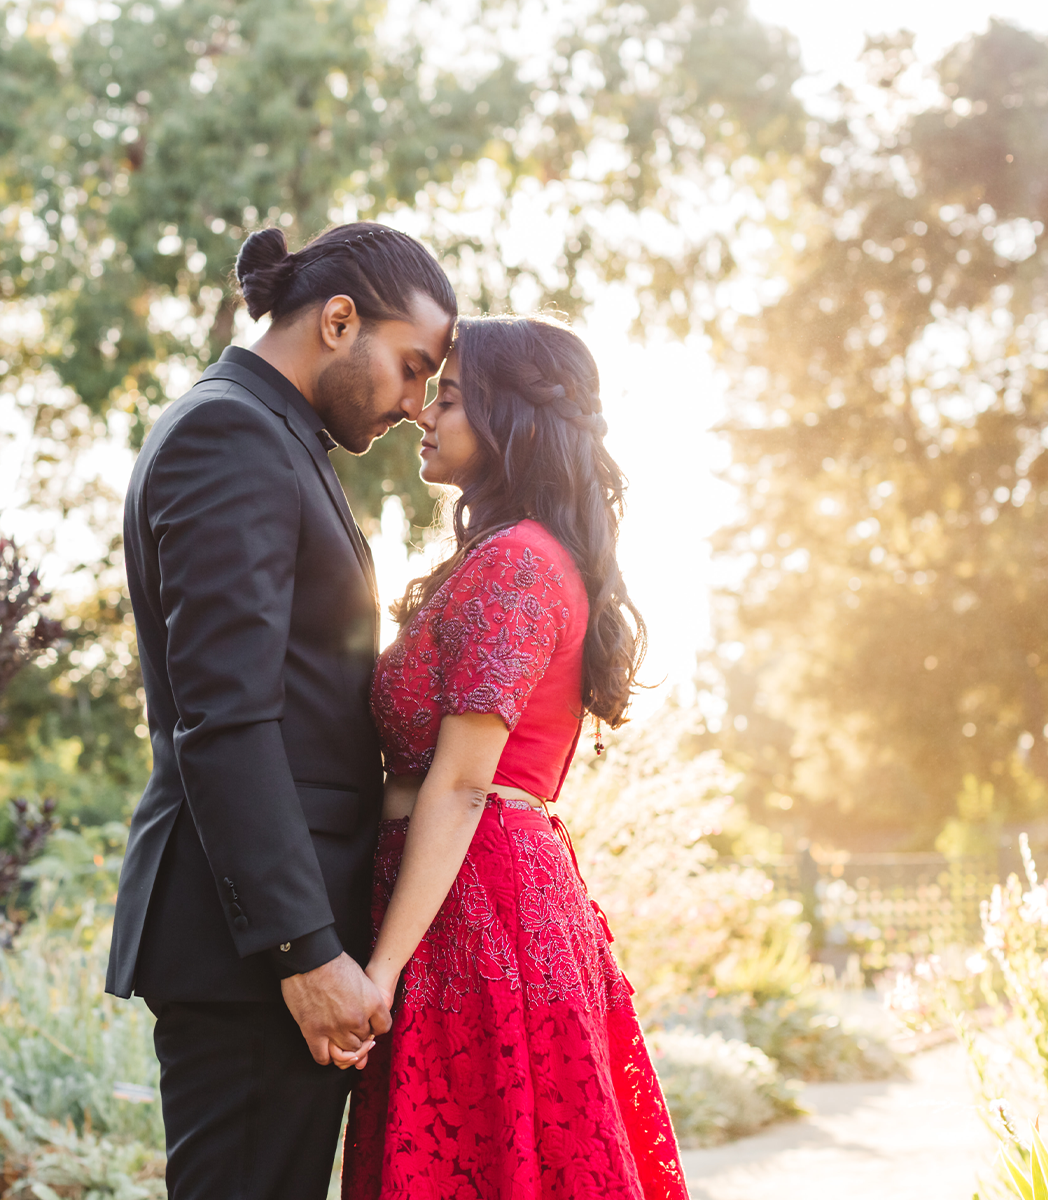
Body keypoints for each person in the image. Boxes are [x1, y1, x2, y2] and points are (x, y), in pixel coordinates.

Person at [103, 221, 456, 1200]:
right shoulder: (232, 434)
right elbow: (227, 718)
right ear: (339, 321)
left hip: (268, 942)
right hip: (251, 951)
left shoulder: (277, 436)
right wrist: (304, 952)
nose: (417, 406)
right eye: (412, 367)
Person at [342, 315, 691, 1199]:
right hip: (462, 901)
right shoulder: (507, 556)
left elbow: (459, 786)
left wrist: (377, 975)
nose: (422, 411)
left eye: (449, 398)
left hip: (476, 911)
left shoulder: (521, 564)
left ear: (512, 420)